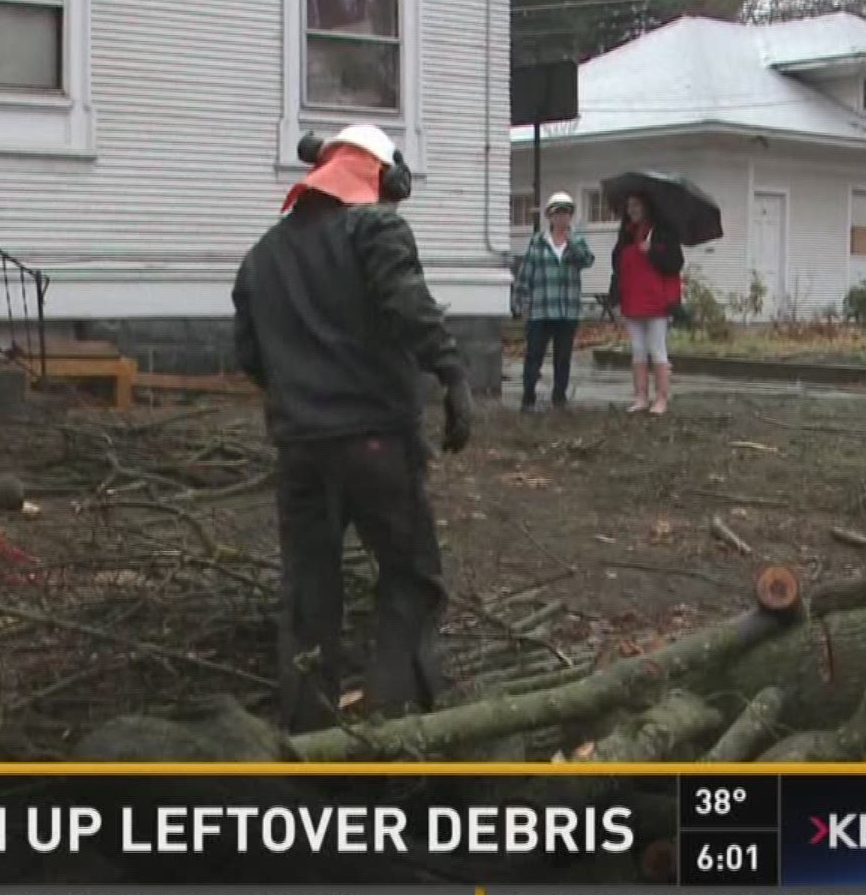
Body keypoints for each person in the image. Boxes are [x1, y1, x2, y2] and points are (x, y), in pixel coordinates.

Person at [231, 123, 476, 733]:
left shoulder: (262, 254)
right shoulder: (376, 227)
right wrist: (451, 372)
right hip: (375, 443)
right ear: (382, 178)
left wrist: (300, 399)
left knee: (309, 590)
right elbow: (406, 302)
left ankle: (309, 734)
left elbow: (250, 355)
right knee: (408, 576)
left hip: (300, 450)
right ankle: (396, 725)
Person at [511, 192, 595, 412]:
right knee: (534, 356)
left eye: (566, 213)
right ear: (550, 216)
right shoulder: (538, 242)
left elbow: (587, 261)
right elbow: (526, 272)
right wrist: (520, 301)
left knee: (563, 358)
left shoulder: (577, 241)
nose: (562, 218)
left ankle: (559, 398)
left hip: (567, 310)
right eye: (558, 213)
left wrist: (572, 243)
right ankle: (528, 397)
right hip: (541, 309)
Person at [609, 191, 685, 415]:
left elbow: (675, 262)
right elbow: (617, 269)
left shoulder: (663, 232)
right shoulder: (625, 234)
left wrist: (653, 251)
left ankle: (661, 398)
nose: (632, 210)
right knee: (638, 350)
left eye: (636, 205)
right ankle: (641, 397)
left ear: (647, 207)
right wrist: (614, 298)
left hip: (656, 302)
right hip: (632, 301)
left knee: (657, 349)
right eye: (629, 205)